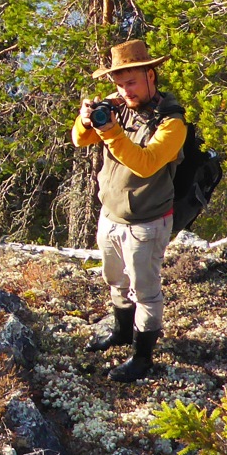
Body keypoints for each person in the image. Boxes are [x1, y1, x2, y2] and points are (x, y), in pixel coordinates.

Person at [71, 38, 188, 383]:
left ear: (151, 75)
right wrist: (86, 120)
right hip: (110, 215)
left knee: (145, 291)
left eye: (132, 82)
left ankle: (142, 356)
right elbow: (80, 140)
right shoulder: (116, 106)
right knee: (115, 280)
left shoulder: (172, 123)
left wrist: (110, 132)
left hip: (147, 222)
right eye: (119, 84)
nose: (125, 91)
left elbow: (147, 164)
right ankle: (122, 332)